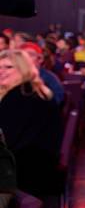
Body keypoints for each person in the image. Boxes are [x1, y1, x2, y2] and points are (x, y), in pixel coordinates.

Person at [0, 49, 62, 197]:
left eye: (8, 67)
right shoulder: (32, 91)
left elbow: (8, 141)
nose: (1, 71)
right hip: (39, 168)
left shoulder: (21, 96)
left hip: (25, 173)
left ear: (23, 69)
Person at [20, 42, 65, 106]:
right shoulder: (14, 76)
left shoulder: (49, 78)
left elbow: (57, 99)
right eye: (22, 55)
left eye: (31, 54)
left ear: (40, 59)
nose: (26, 57)